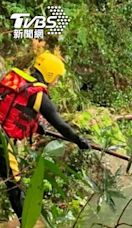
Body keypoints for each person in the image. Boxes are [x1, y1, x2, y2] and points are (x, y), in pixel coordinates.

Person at [0, 51, 90, 222]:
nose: (56, 82)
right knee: (15, 185)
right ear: (50, 73)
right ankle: (25, 223)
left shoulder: (17, 80)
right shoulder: (38, 94)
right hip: (2, 141)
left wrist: (35, 126)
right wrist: (78, 140)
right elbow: (61, 125)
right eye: (56, 77)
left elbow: (13, 110)